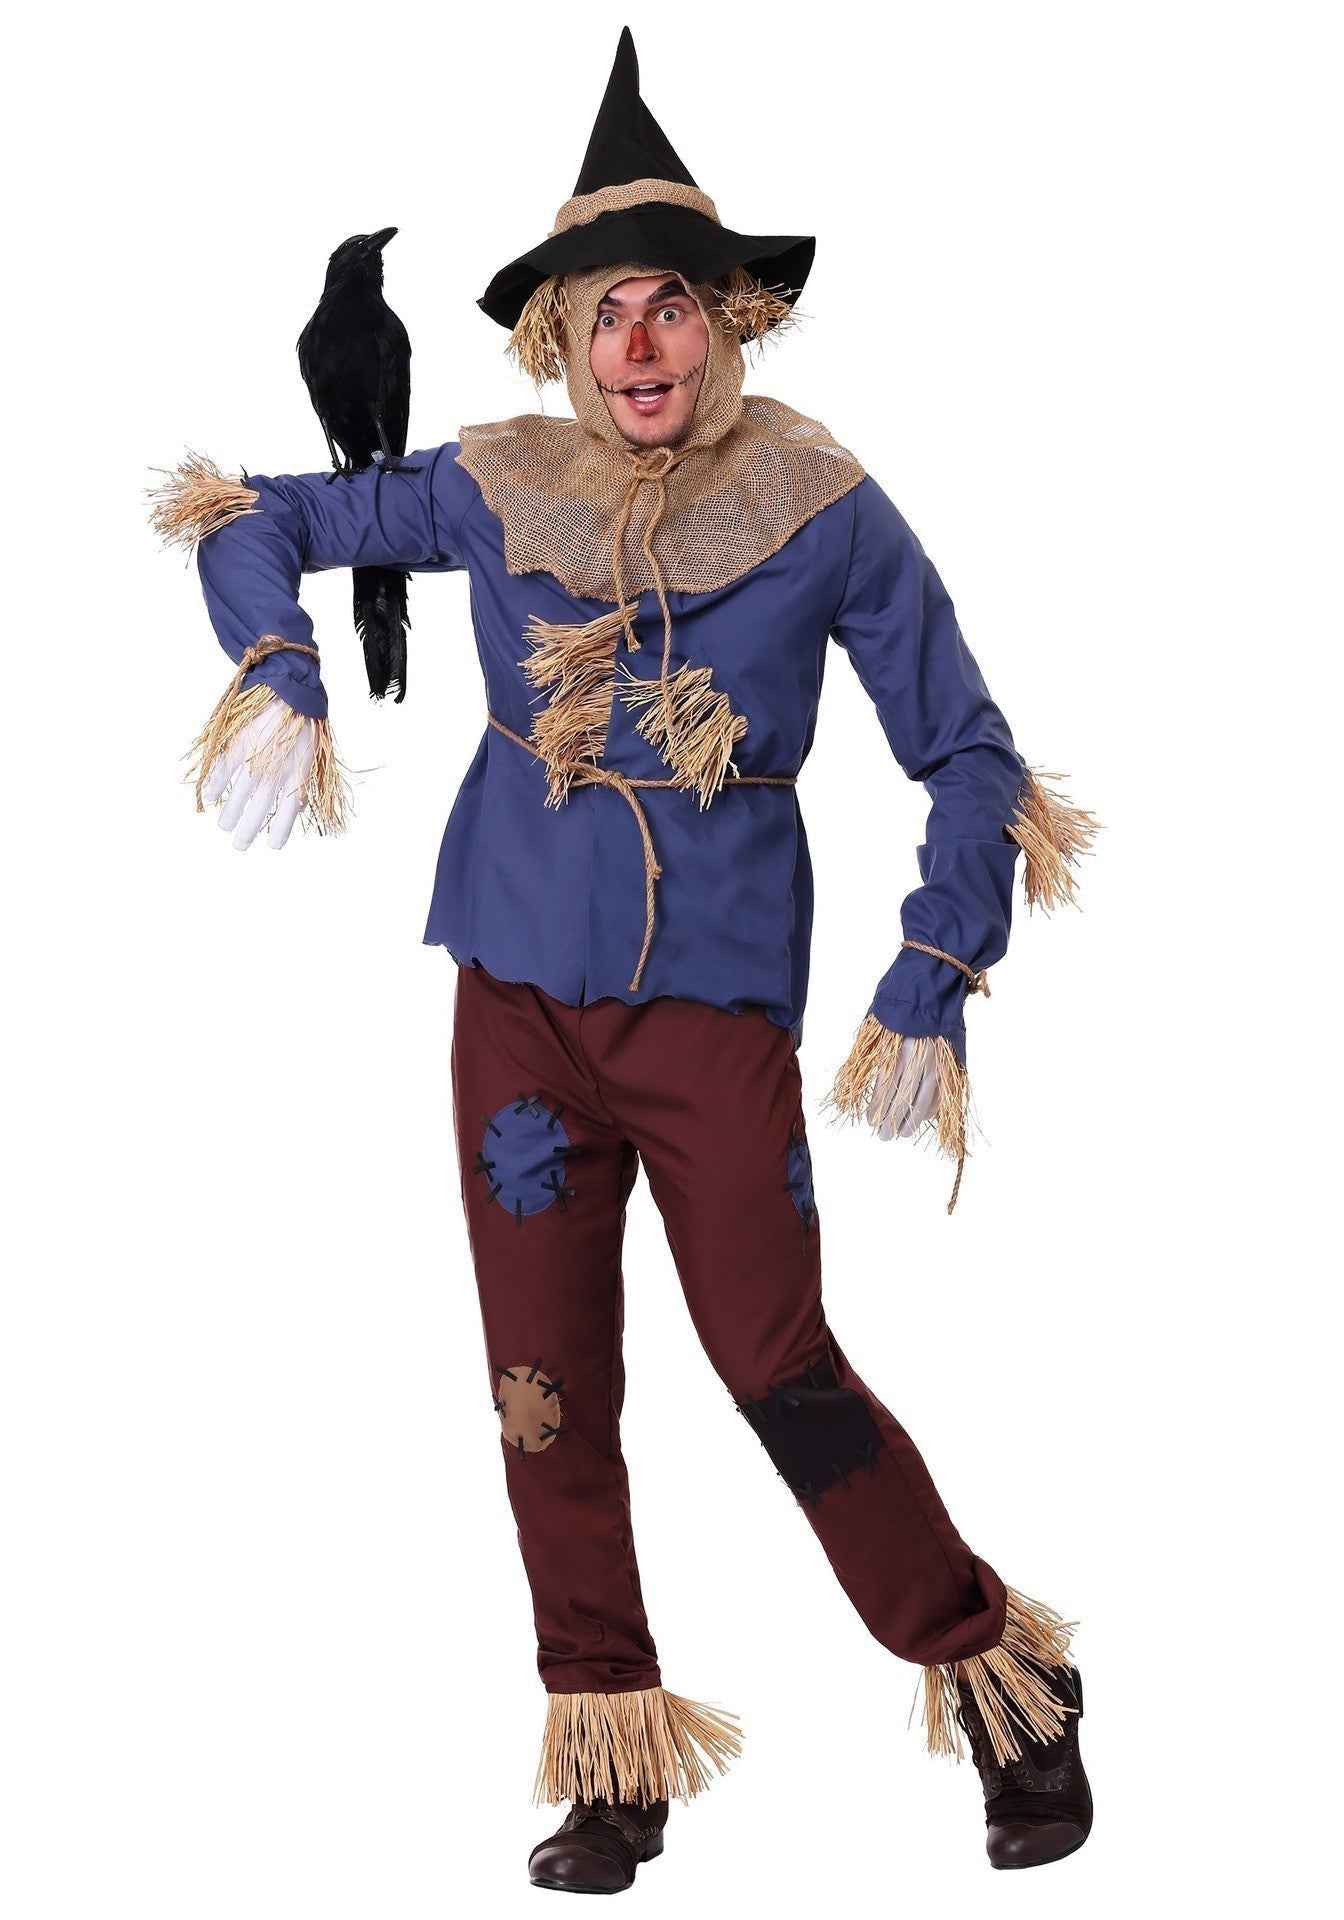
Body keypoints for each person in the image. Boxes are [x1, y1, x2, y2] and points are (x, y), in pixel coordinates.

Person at [149, 25, 1098, 1892]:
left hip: (713, 1016)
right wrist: (278, 668)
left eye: (672, 306)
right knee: (544, 1389)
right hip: (513, 1003)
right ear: (560, 340)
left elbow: (970, 751)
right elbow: (257, 515)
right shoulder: (495, 482)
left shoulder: (823, 505)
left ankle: (1001, 1679)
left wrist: (937, 958)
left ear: (725, 326)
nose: (641, 344)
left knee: (777, 1361)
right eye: (608, 314)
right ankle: (610, 1745)